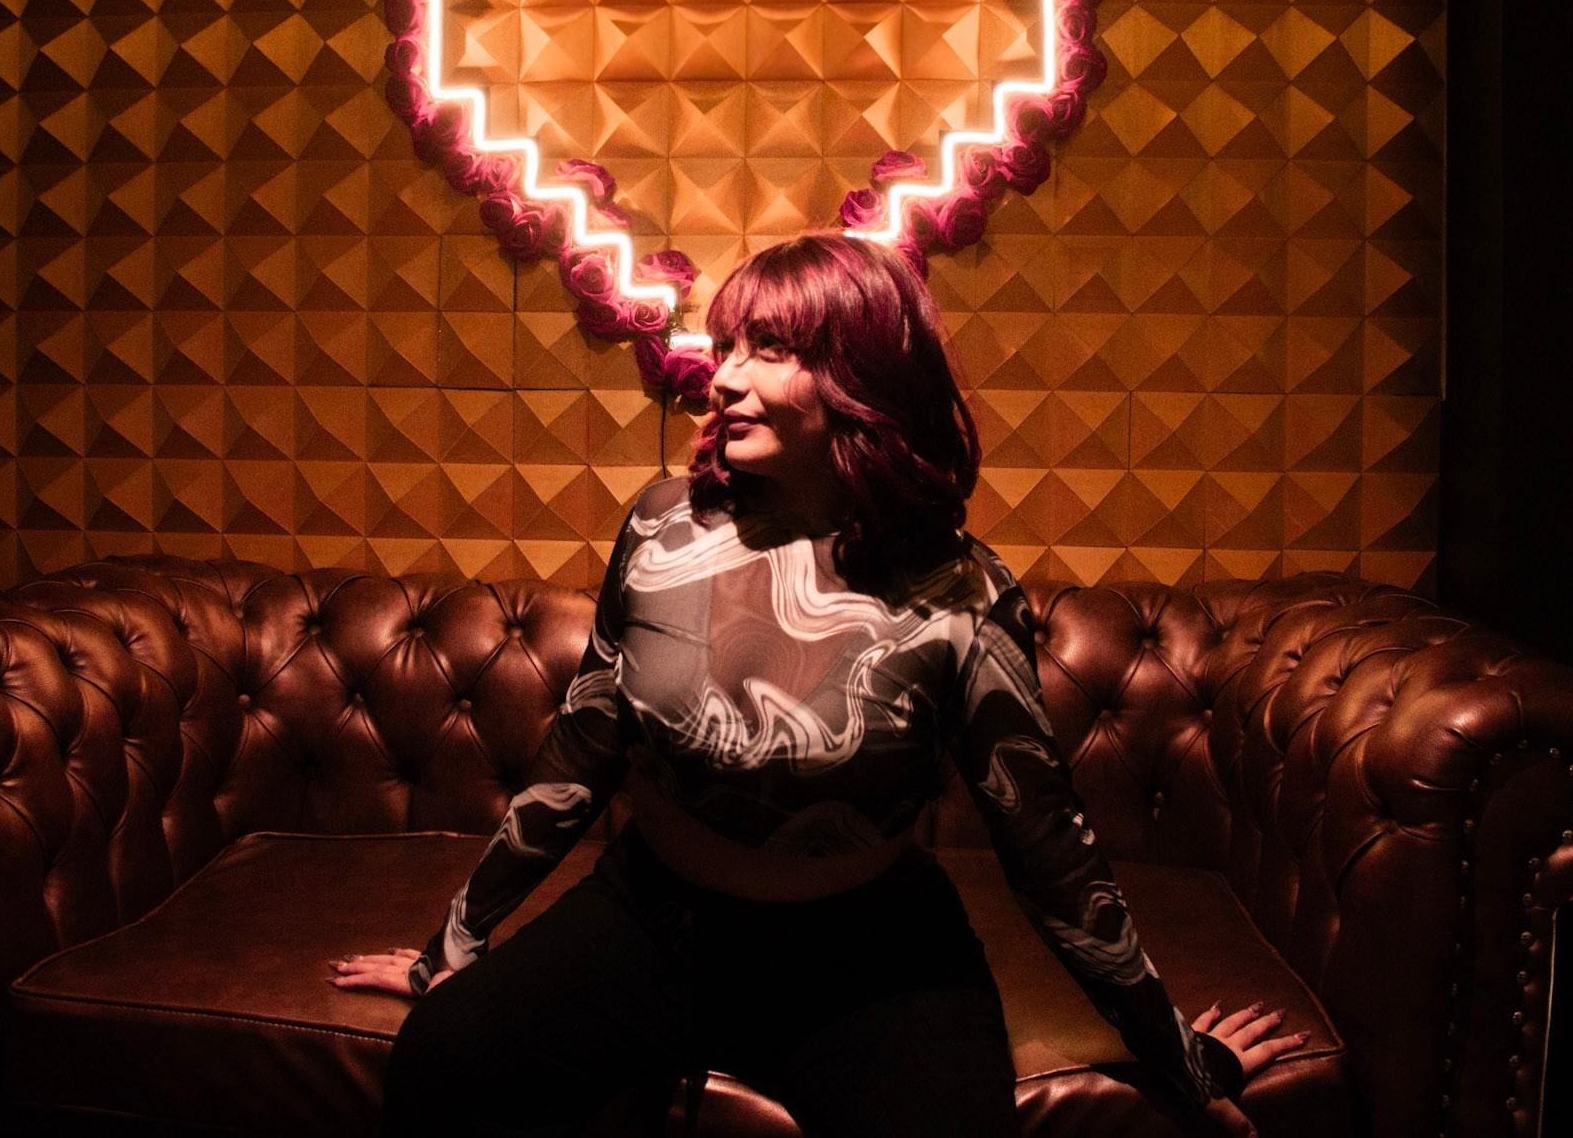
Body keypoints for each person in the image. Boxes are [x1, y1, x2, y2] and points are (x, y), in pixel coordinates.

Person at [330, 233, 1305, 1136]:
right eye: (726, 347)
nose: (724, 377)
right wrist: (453, 944)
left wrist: (1178, 1057)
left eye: (768, 350)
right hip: (650, 916)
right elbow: (582, 747)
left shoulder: (961, 595)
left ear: (861, 377)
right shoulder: (661, 528)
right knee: (443, 1058)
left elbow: (1048, 849)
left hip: (867, 960)